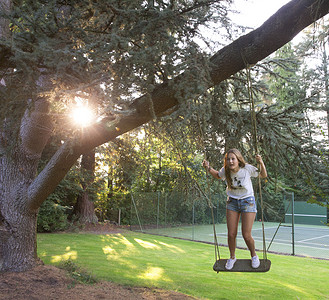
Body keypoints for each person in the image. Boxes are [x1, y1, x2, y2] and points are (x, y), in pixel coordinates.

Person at [202, 148, 267, 270]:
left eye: (233, 159)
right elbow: (217, 175)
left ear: (238, 159)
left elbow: (263, 175)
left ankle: (254, 256)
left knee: (246, 235)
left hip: (248, 201)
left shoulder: (247, 168)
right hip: (232, 202)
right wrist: (208, 167)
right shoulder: (225, 170)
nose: (231, 161)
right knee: (231, 234)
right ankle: (232, 257)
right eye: (228, 159)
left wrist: (261, 162)